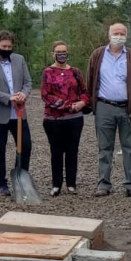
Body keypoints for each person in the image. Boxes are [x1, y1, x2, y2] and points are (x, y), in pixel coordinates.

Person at [85, 23, 131, 197]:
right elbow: (90, 79)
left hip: (126, 108)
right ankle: (103, 183)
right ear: (109, 35)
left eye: (122, 33)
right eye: (116, 33)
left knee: (129, 147)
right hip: (104, 106)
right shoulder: (97, 55)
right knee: (104, 148)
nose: (119, 35)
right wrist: (90, 104)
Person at [0, 30, 32, 197]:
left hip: (19, 113)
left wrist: (23, 93)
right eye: (3, 46)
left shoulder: (19, 59)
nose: (7, 49)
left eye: (9, 46)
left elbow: (28, 82)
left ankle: (21, 178)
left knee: (25, 146)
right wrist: (8, 98)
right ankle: (1, 184)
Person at [40, 40, 89, 196]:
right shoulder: (48, 72)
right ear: (53, 54)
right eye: (59, 52)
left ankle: (71, 183)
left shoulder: (75, 71)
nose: (62, 54)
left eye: (64, 52)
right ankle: (56, 184)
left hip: (75, 118)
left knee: (72, 151)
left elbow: (84, 91)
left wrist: (81, 103)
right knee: (56, 151)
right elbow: (45, 95)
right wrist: (67, 105)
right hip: (54, 119)